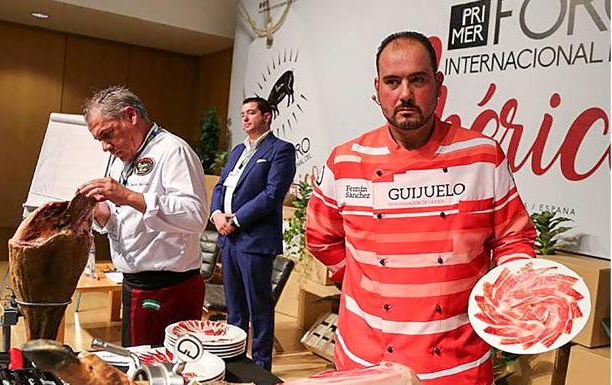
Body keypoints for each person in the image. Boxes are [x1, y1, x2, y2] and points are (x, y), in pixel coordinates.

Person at [305, 31, 536, 385]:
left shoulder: (483, 157)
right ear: (377, 88)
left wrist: (513, 293)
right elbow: (321, 238)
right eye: (393, 82)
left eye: (418, 80)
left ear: (438, 84)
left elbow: (514, 240)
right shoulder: (345, 160)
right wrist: (368, 284)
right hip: (366, 361)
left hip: (457, 365)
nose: (405, 94)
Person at [78, 86, 209, 347]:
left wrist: (127, 196)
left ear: (131, 115)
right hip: (135, 282)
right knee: (139, 366)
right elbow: (126, 221)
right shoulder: (121, 160)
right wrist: (101, 214)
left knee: (161, 370)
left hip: (169, 287)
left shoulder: (173, 151)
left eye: (108, 134)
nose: (105, 146)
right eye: (99, 140)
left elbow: (195, 217)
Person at [210, 96, 296, 370]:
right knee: (234, 309)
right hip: (228, 238)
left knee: (258, 310)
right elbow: (220, 187)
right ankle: (235, 364)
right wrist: (216, 215)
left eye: (251, 113)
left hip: (254, 240)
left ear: (267, 116)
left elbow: (272, 195)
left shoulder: (280, 150)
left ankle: (260, 369)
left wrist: (236, 219)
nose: (245, 118)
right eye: (243, 113)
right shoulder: (237, 151)